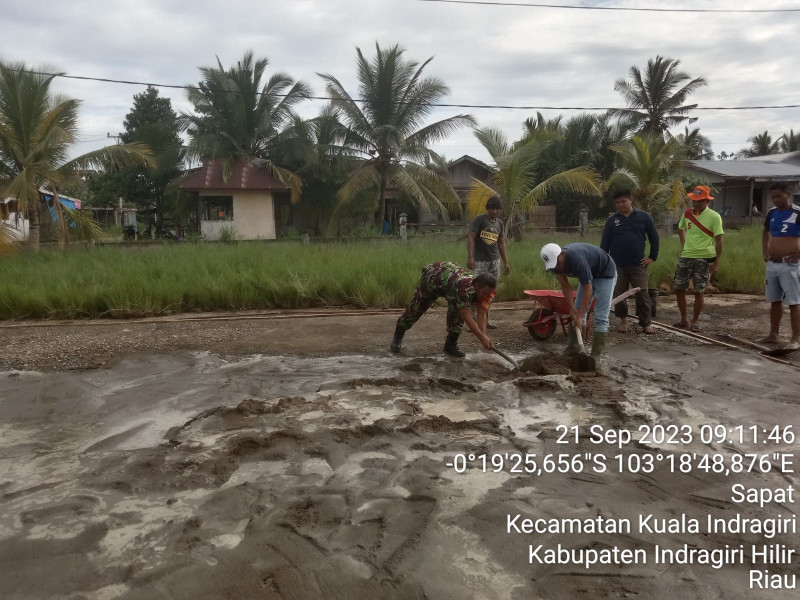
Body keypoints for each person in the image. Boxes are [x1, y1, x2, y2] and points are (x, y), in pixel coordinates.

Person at [390, 261, 495, 357]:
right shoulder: (464, 290)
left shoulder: (489, 294)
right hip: (433, 279)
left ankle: (450, 346)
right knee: (415, 309)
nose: (486, 296)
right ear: (476, 286)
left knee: (457, 311)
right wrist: (481, 338)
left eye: (488, 293)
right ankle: (398, 336)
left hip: (451, 286)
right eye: (484, 293)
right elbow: (467, 317)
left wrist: (484, 335)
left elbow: (482, 313)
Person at [540, 242, 617, 359]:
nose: (556, 267)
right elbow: (565, 286)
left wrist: (580, 315)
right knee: (576, 312)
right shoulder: (554, 266)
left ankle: (596, 358)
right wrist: (571, 308)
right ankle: (574, 351)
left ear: (562, 254)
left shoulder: (576, 259)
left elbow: (588, 288)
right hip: (589, 273)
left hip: (605, 273)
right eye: (553, 265)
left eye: (557, 263)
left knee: (601, 316)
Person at [601, 189, 659, 334]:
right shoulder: (612, 221)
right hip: (617, 265)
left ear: (630, 200)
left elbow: (654, 238)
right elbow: (604, 244)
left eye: (623, 201)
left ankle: (646, 323)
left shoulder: (644, 217)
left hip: (638, 264)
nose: (620, 205)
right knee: (619, 294)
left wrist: (652, 257)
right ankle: (623, 321)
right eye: (617, 202)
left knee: (642, 293)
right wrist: (605, 262)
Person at [673, 186, 724, 331]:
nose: (695, 204)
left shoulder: (714, 217)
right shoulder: (688, 213)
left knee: (699, 290)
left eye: (699, 201)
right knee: (679, 288)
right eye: (693, 201)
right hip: (686, 256)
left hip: (704, 257)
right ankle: (684, 319)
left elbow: (719, 240)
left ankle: (695, 321)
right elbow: (680, 228)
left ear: (707, 200)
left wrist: (716, 263)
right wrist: (684, 245)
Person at [759, 182, 800, 350]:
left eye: (778, 196)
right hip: (772, 265)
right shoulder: (772, 212)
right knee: (775, 301)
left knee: (793, 302)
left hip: (789, 265)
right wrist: (765, 250)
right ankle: (773, 335)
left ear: (787, 194)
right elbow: (765, 231)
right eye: (773, 197)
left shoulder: (797, 212)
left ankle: (795, 338)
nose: (775, 200)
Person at [467, 195, 510, 329]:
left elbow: (501, 244)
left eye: (497, 209)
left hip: (494, 262)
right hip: (480, 261)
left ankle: (485, 318)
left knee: (490, 292)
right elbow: (471, 237)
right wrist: (470, 257)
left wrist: (506, 262)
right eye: (492, 209)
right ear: (488, 209)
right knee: (476, 290)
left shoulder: (499, 224)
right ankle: (473, 321)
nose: (495, 211)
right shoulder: (479, 220)